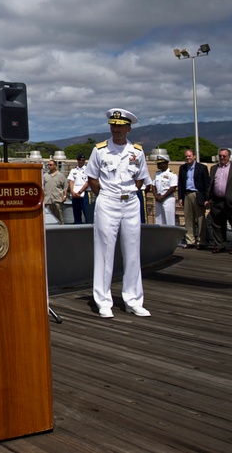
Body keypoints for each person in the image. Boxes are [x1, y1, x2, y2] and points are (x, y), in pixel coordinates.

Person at [85, 108, 150, 318]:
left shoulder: (137, 152)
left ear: (128, 129)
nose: (116, 130)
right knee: (104, 252)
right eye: (113, 126)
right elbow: (92, 178)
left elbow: (140, 179)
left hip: (130, 203)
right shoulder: (100, 150)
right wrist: (105, 196)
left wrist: (128, 194)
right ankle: (103, 301)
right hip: (107, 202)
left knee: (132, 251)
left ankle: (133, 300)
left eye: (120, 126)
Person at [206, 148, 232, 254]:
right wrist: (209, 199)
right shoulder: (214, 169)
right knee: (217, 225)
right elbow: (211, 184)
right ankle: (220, 245)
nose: (222, 158)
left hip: (231, 202)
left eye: (224, 156)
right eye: (220, 156)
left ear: (229, 157)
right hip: (216, 201)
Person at [177, 149, 210, 249]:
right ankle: (190, 240)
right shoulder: (182, 168)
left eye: (189, 156)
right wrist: (180, 197)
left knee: (200, 219)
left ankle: (201, 241)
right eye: (186, 156)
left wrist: (206, 198)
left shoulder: (202, 168)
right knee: (188, 219)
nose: (188, 158)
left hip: (198, 195)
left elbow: (206, 184)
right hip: (187, 194)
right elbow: (181, 184)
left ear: (194, 156)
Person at [150, 157, 178, 226]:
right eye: (157, 163)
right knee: (159, 220)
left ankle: (170, 236)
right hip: (158, 199)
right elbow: (153, 186)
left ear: (166, 163)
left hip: (167, 199)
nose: (158, 165)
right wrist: (156, 196)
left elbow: (173, 188)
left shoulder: (172, 174)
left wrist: (163, 197)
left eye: (160, 163)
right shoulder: (157, 174)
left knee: (169, 221)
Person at [67, 154, 91, 224]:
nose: (81, 162)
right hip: (75, 194)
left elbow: (88, 182)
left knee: (87, 212)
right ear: (77, 160)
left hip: (85, 193)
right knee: (76, 213)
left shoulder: (87, 170)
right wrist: (72, 191)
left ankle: (88, 229)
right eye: (80, 160)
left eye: (83, 160)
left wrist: (80, 192)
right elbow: (71, 181)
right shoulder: (73, 170)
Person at [43, 159, 68, 224]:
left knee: (59, 216)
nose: (49, 166)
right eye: (48, 165)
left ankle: (61, 228)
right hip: (47, 200)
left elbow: (65, 187)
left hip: (57, 199)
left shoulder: (60, 176)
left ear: (55, 166)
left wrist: (64, 196)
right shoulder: (45, 176)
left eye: (50, 165)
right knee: (48, 217)